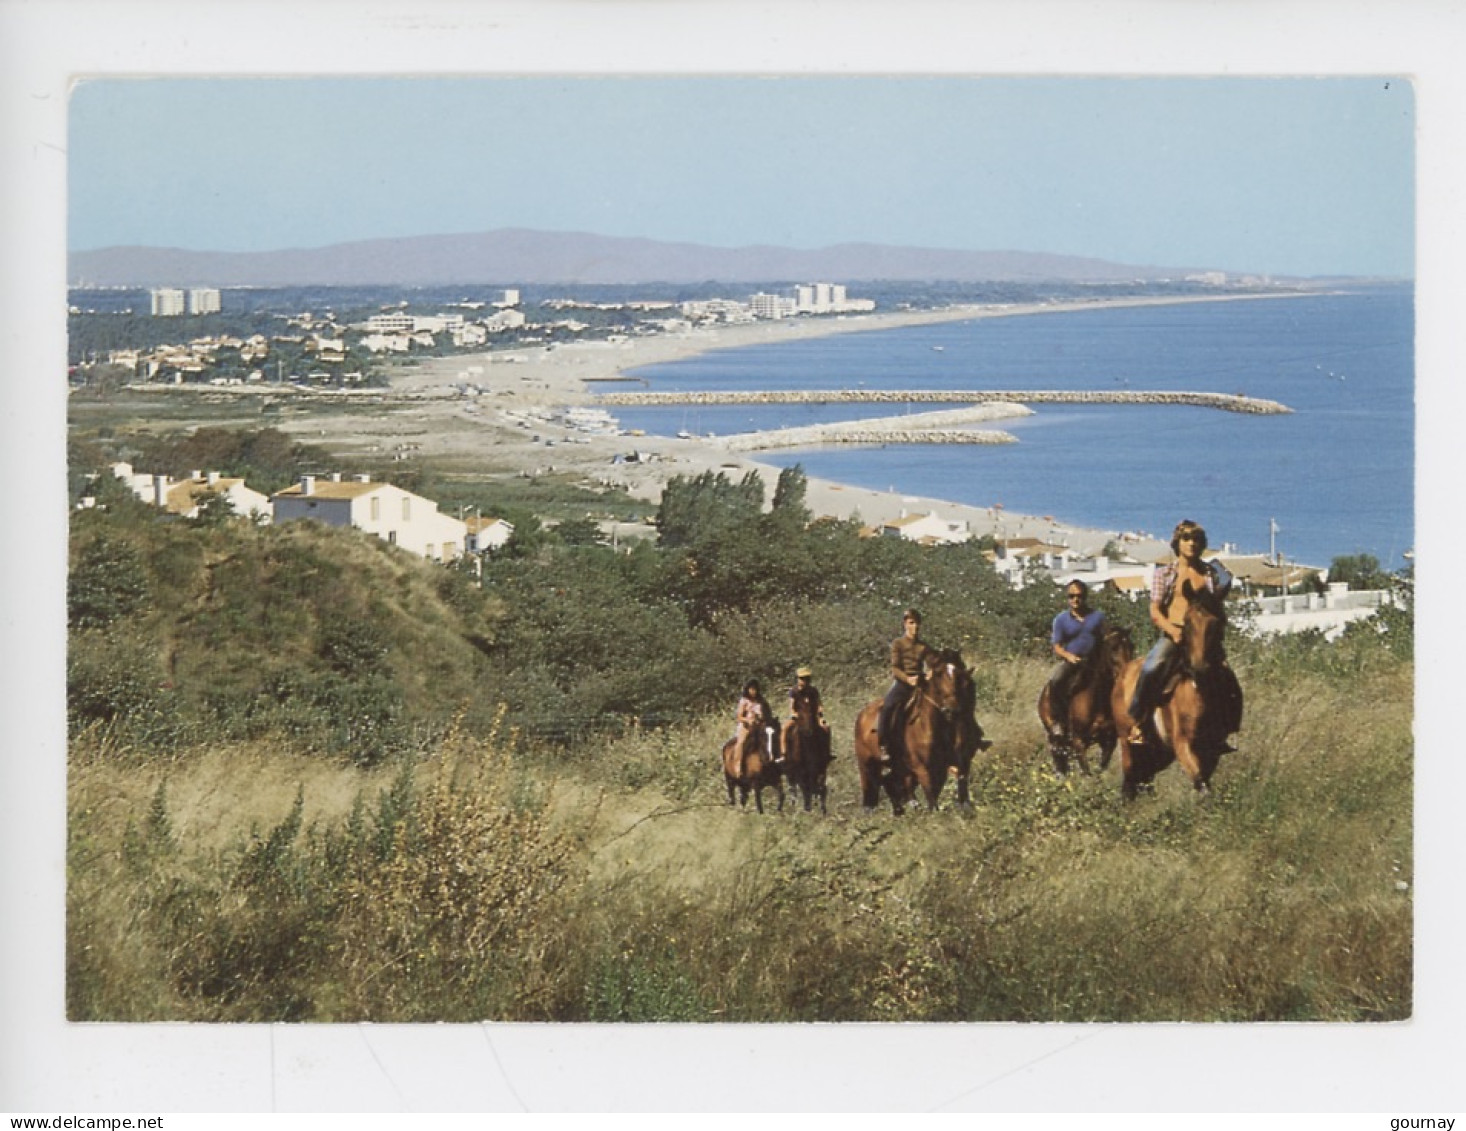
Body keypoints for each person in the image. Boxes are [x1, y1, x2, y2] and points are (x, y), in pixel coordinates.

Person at [1127, 519, 1233, 744]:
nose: (1191, 544)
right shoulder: (1164, 574)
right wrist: (1172, 632)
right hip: (1174, 635)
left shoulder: (1210, 574)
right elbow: (1155, 610)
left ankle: (1226, 728)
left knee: (1227, 678)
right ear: (1178, 543)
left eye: (1196, 539)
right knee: (1151, 668)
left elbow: (1216, 607)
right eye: (1186, 539)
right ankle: (1139, 722)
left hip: (1202, 638)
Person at [1047, 580, 1106, 740]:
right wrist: (1068, 656)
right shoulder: (1061, 620)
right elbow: (1057, 646)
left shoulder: (1098, 617)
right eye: (1071, 596)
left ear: (1085, 597)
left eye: (1079, 596)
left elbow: (1106, 638)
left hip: (1095, 662)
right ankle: (1058, 721)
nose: (1075, 600)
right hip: (1074, 661)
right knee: (1056, 681)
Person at [877, 608, 937, 764]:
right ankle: (883, 745)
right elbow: (895, 668)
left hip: (921, 683)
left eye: (917, 623)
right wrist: (908, 679)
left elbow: (933, 662)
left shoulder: (924, 646)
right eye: (911, 623)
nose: (915, 627)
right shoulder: (898, 644)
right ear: (905, 624)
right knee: (888, 706)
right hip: (904, 684)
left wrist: (931, 672)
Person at [783, 665, 830, 754]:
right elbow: (792, 706)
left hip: (812, 716)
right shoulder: (794, 691)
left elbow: (819, 704)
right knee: (785, 728)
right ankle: (784, 752)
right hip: (798, 716)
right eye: (802, 678)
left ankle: (826, 752)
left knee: (826, 728)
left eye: (807, 679)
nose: (804, 681)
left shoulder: (813, 691)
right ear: (798, 679)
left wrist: (820, 716)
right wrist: (794, 714)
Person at [734, 678, 779, 769]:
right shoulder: (744, 701)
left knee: (772, 736)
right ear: (747, 690)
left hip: (761, 725)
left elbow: (768, 712)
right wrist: (747, 720)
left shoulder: (761, 700)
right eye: (751, 689)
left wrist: (766, 719)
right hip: (747, 726)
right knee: (741, 742)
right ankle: (738, 764)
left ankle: (777, 760)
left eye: (755, 689)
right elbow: (739, 716)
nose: (753, 691)